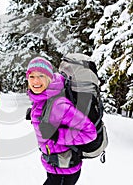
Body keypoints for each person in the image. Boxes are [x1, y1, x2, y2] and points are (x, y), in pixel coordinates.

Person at [26, 57, 97, 185]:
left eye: (41, 75)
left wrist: (57, 135)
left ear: (49, 77)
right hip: (55, 165)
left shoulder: (59, 104)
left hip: (65, 170)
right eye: (32, 76)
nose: (35, 81)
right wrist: (34, 114)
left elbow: (89, 132)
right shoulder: (42, 98)